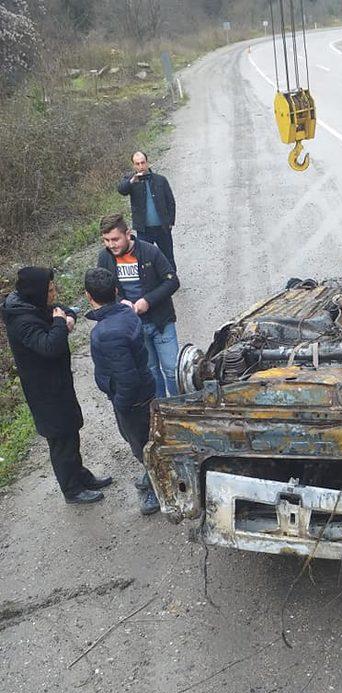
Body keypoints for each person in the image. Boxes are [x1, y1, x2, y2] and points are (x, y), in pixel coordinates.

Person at [1, 267, 112, 504]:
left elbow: (61, 310)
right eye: (50, 290)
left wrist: (66, 317)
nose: (54, 293)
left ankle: (80, 476)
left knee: (70, 431)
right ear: (38, 292)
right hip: (44, 391)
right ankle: (71, 490)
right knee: (60, 439)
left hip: (57, 383)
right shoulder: (21, 320)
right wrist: (61, 324)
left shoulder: (32, 304)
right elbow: (50, 347)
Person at [85, 268, 160, 515]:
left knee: (143, 446)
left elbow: (126, 377)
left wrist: (120, 402)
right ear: (116, 291)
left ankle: (156, 490)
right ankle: (152, 479)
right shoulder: (125, 314)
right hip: (143, 391)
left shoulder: (106, 333)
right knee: (145, 440)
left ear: (88, 295)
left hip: (132, 400)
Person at [97, 213, 180, 398]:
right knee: (150, 372)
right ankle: (161, 410)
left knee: (172, 371)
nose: (111, 245)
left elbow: (172, 281)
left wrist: (148, 301)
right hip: (133, 328)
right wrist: (120, 302)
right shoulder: (104, 259)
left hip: (161, 323)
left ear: (128, 234)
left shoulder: (150, 251)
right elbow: (102, 291)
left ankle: (180, 407)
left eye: (115, 239)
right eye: (106, 240)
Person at [117, 151, 177, 271]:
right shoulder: (131, 181)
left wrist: (170, 221)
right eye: (137, 164)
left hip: (162, 227)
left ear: (147, 163)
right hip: (144, 230)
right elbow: (121, 190)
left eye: (143, 163)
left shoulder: (160, 180)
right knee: (146, 259)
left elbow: (170, 201)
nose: (141, 166)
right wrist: (132, 181)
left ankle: (172, 279)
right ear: (133, 165)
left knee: (167, 256)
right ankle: (154, 282)